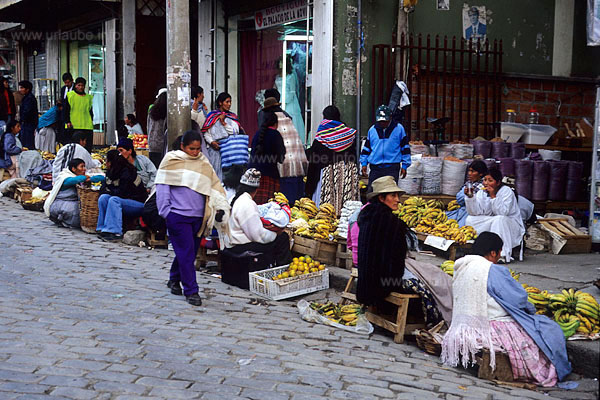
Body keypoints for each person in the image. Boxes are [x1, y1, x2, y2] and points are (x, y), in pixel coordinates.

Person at [441, 232, 571, 386]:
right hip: (488, 328)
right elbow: (517, 299)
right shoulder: (492, 270)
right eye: (499, 253)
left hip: (462, 328)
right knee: (548, 329)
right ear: (493, 253)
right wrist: (531, 310)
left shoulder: (461, 266)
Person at [356, 176, 446, 325]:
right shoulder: (392, 223)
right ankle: (433, 322)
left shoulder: (366, 216)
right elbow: (396, 262)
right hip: (383, 284)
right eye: (393, 196)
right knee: (432, 282)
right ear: (382, 198)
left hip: (365, 281)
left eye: (397, 196)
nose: (398, 200)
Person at [155, 130, 231, 306]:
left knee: (186, 252)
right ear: (183, 146)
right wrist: (166, 212)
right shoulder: (171, 160)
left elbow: (213, 186)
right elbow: (162, 187)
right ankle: (191, 291)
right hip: (178, 216)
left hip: (199, 218)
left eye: (198, 149)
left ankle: (174, 279)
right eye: (191, 149)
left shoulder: (203, 162)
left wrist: (219, 208)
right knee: (187, 254)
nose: (195, 152)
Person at [222, 168, 292, 289]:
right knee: (283, 238)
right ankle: (285, 277)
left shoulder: (235, 199)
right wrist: (277, 233)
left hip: (232, 244)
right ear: (256, 190)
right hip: (240, 246)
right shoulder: (247, 204)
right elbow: (258, 236)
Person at [305, 105, 359, 212]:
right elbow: (353, 154)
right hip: (346, 172)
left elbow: (315, 155)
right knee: (346, 206)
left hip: (327, 173)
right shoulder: (347, 133)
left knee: (326, 207)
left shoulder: (323, 132)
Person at [465, 168, 525, 263]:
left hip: (510, 223)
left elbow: (503, 212)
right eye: (485, 180)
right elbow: (475, 212)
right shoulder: (482, 192)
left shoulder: (506, 191)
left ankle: (502, 254)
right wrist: (470, 197)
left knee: (499, 219)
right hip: (493, 220)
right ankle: (481, 250)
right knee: (470, 219)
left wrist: (493, 196)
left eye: (490, 180)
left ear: (498, 183)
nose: (486, 183)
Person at [96, 150, 148, 241]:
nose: (106, 163)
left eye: (107, 161)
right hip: (124, 200)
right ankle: (102, 228)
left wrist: (109, 190)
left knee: (114, 200)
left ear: (111, 162)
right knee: (103, 198)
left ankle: (114, 231)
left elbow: (122, 193)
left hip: (138, 204)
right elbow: (103, 189)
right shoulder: (111, 172)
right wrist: (109, 191)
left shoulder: (127, 172)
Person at [360, 105, 411, 189]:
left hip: (392, 167)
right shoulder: (372, 130)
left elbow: (405, 148)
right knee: (372, 192)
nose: (382, 123)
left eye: (385, 121)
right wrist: (364, 163)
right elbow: (366, 149)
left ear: (390, 118)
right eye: (380, 121)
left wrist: (405, 166)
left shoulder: (399, 129)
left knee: (389, 194)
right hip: (375, 167)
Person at [44, 158, 104, 228]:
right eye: (81, 166)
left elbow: (102, 178)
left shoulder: (79, 175)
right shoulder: (64, 176)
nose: (84, 169)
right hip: (59, 206)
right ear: (73, 169)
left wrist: (90, 179)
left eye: (84, 166)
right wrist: (84, 178)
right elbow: (72, 181)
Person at [201, 92, 245, 180]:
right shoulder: (212, 116)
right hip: (214, 150)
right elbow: (206, 132)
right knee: (215, 176)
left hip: (229, 150)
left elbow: (234, 132)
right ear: (220, 103)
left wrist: (224, 123)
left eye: (230, 102)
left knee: (228, 177)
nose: (229, 104)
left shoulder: (232, 117)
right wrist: (212, 142)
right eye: (227, 102)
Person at [248, 111, 286, 204]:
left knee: (254, 203)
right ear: (276, 124)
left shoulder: (257, 134)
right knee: (268, 204)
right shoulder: (275, 134)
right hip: (269, 174)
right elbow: (281, 157)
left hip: (253, 174)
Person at [446, 160, 488, 227]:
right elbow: (459, 199)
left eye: (472, 171)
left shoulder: (482, 186)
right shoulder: (470, 183)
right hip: (463, 211)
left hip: (472, 214)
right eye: (469, 171)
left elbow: (461, 198)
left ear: (481, 174)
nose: (469, 173)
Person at [274, 55, 305, 142]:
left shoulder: (291, 76)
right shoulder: (277, 77)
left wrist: (284, 101)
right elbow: (275, 88)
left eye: (282, 62)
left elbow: (292, 92)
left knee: (291, 120)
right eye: (279, 62)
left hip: (289, 102)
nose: (280, 64)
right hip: (279, 101)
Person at [65, 77, 93, 152]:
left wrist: (91, 121)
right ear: (75, 85)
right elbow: (66, 110)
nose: (80, 87)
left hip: (87, 126)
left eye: (82, 85)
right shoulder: (70, 95)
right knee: (74, 149)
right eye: (79, 85)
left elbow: (90, 111)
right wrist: (67, 121)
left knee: (87, 148)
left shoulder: (88, 97)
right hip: (73, 126)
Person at [147, 89, 167, 168]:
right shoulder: (167, 113)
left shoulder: (152, 111)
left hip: (152, 144)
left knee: (154, 168)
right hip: (162, 145)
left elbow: (148, 126)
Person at [18, 80, 38, 150]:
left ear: (27, 89)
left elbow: (26, 112)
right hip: (28, 124)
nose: (20, 90)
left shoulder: (29, 99)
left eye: (22, 88)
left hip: (28, 125)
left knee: (27, 144)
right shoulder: (27, 98)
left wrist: (22, 121)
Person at [57, 72, 74, 144]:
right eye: (65, 83)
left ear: (72, 81)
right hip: (63, 114)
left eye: (68, 82)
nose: (67, 84)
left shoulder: (75, 88)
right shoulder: (63, 89)